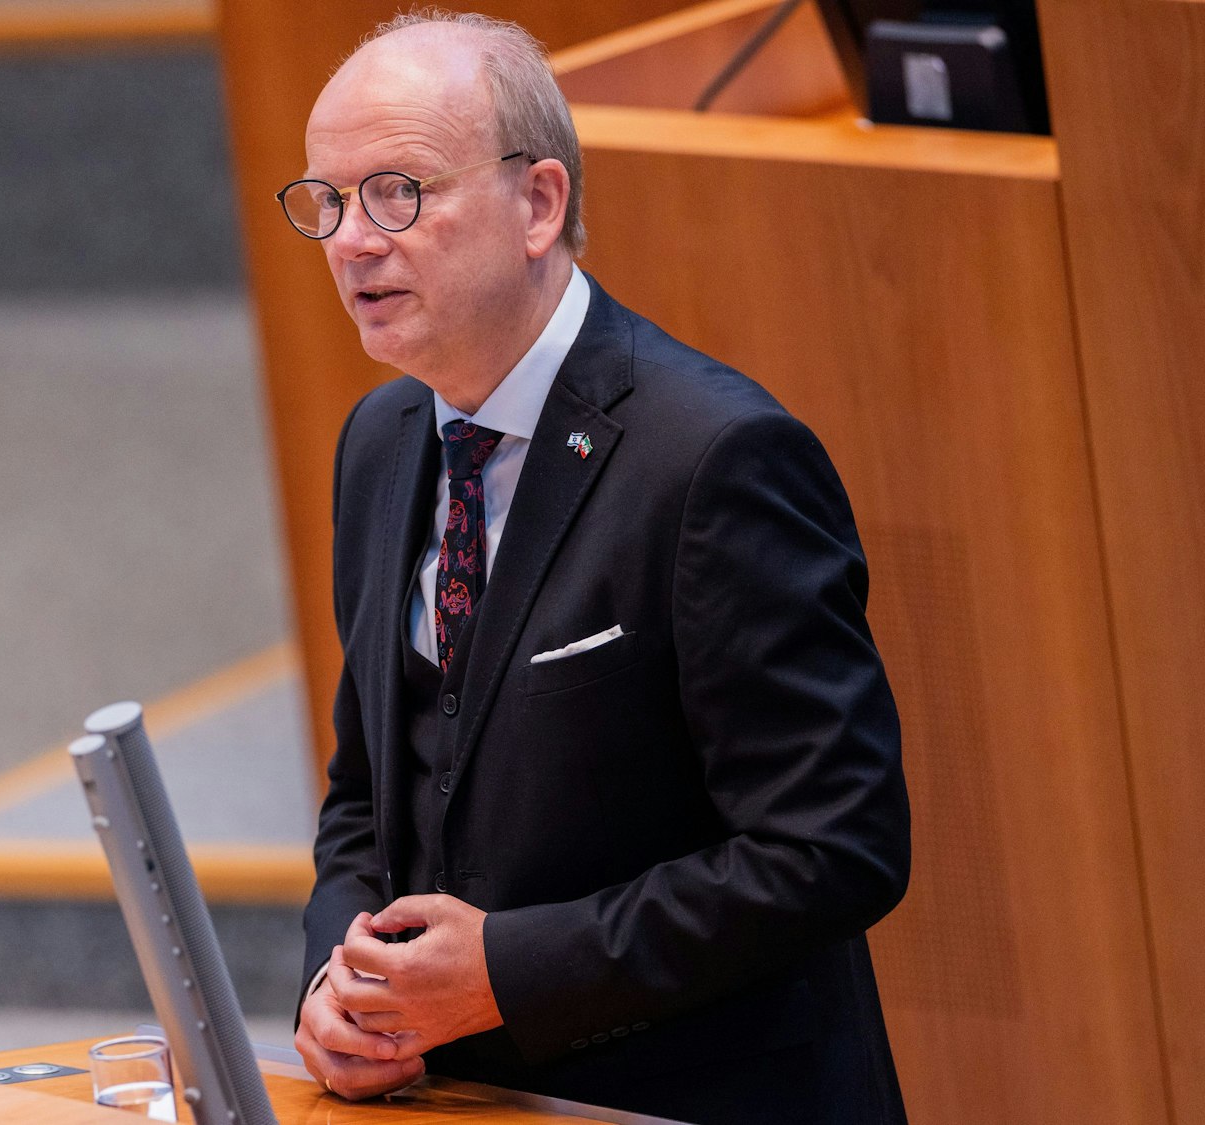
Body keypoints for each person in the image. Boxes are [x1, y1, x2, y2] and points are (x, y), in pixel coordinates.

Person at [281, 12, 911, 1124]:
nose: (351, 242)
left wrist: (505, 972)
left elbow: (831, 849)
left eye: (397, 192)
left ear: (538, 204)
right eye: (326, 203)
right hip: (456, 1099)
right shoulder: (378, 444)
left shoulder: (711, 459)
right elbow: (366, 792)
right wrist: (340, 986)